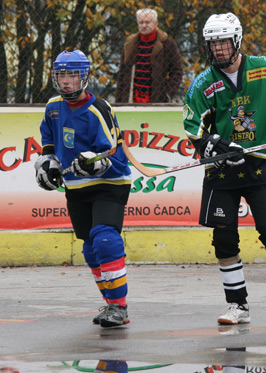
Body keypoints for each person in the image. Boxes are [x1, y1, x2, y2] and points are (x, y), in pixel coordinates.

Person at [182, 13, 266, 325]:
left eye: (223, 41)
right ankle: (238, 305)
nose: (218, 49)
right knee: (224, 241)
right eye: (213, 43)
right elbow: (193, 128)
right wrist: (216, 146)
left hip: (260, 165)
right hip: (221, 172)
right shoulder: (203, 84)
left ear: (236, 40)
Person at [34, 50, 132, 327]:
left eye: (72, 75)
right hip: (76, 187)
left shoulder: (98, 109)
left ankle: (119, 308)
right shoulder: (53, 107)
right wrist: (47, 163)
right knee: (90, 249)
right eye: (61, 75)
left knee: (105, 239)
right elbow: (49, 143)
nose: (66, 82)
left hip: (109, 183)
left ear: (84, 77)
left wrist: (95, 163)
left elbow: (113, 153)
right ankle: (111, 304)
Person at [115, 8, 183, 103]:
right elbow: (121, 74)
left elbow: (177, 72)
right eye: (141, 22)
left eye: (147, 22)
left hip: (156, 97)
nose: (144, 25)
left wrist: (167, 93)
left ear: (156, 23)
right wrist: (118, 100)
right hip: (131, 97)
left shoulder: (167, 44)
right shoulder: (129, 45)